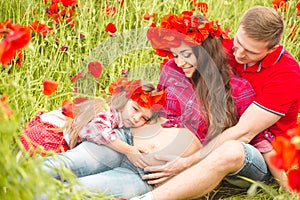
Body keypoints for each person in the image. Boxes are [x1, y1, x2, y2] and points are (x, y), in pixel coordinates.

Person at [42, 10, 264, 199]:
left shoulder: (238, 90)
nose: (179, 62)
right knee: (56, 166)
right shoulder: (171, 70)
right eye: (175, 54)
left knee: (72, 193)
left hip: (150, 176)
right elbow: (148, 105)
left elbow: (249, 137)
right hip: (126, 142)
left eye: (186, 55)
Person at [131, 6, 300, 200]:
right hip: (209, 142)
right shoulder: (228, 47)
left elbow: (245, 133)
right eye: (238, 43)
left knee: (231, 150)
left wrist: (186, 162)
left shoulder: (286, 76)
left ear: (272, 48)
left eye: (251, 52)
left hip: (258, 156)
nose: (239, 54)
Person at [20, 78, 166, 168]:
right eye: (135, 109)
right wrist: (128, 150)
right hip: (47, 136)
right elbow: (97, 129)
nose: (136, 118)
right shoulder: (107, 109)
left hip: (43, 132)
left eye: (144, 118)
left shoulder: (116, 113)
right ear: (125, 98)